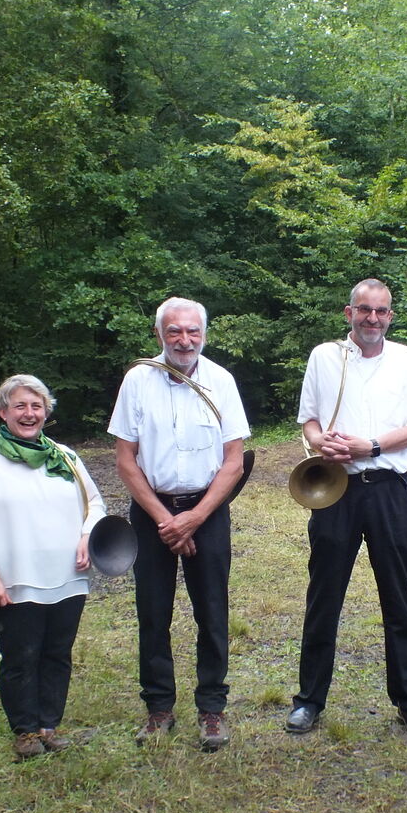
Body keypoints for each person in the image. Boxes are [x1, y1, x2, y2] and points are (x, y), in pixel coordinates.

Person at [285, 278, 407, 736]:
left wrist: (369, 446)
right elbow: (309, 419)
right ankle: (309, 700)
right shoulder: (323, 356)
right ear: (348, 312)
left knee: (399, 595)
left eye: (382, 311)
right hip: (336, 491)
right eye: (365, 309)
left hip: (389, 488)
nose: (373, 318)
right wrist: (320, 442)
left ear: (390, 316)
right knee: (324, 595)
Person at [107, 297, 249, 751]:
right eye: (174, 332)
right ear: (160, 335)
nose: (184, 340)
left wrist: (195, 518)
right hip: (153, 515)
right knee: (153, 611)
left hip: (206, 513)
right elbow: (125, 460)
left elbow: (234, 461)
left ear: (204, 334)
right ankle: (159, 708)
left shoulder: (221, 381)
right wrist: (167, 520)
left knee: (212, 611)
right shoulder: (137, 381)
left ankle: (212, 708)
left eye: (192, 331)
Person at [0, 375, 106, 759]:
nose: (29, 413)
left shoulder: (65, 457)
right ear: (3, 412)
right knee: (21, 655)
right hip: (13, 579)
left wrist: (87, 536)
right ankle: (24, 730)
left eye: (36, 406)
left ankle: (49, 725)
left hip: (67, 577)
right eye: (20, 406)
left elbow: (95, 505)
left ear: (46, 412)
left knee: (57, 653)